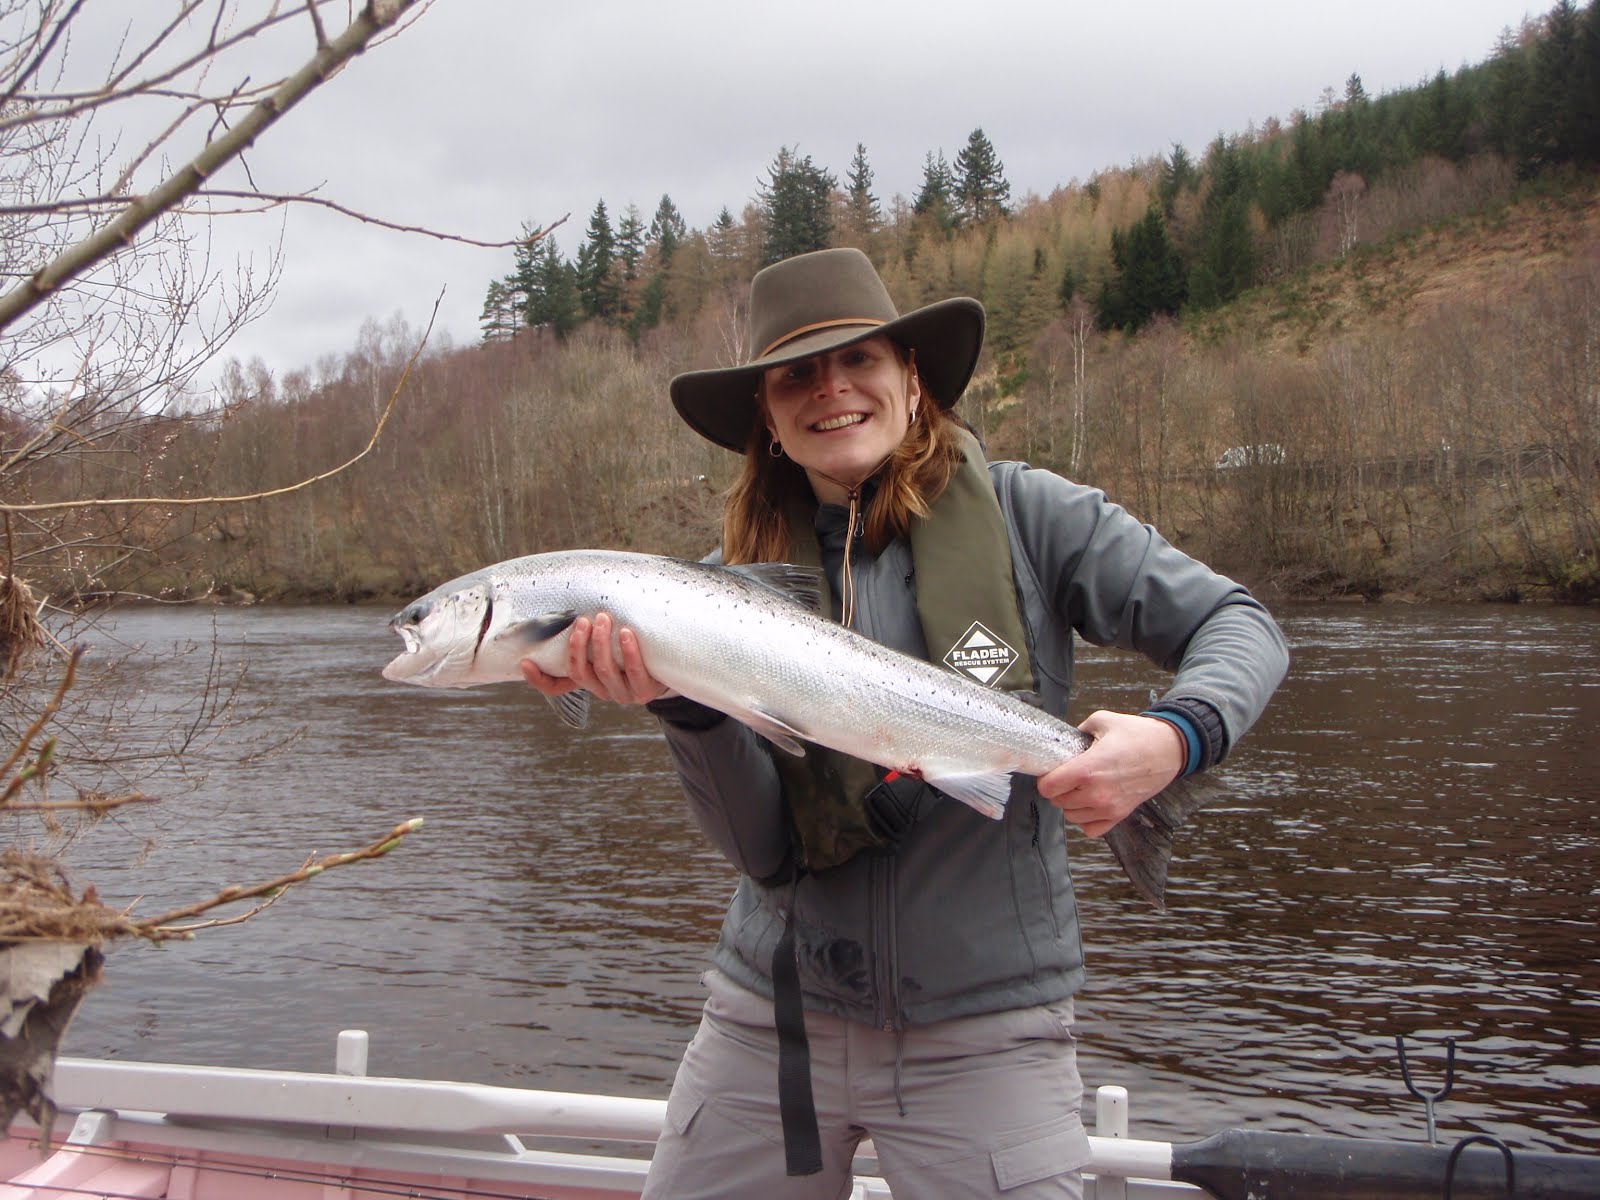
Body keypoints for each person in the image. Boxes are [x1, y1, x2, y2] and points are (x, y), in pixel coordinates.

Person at [521, 247, 1289, 1198]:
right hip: (771, 1023)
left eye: (860, 359)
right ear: (767, 415)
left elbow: (1239, 626)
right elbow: (759, 850)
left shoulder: (1035, 515)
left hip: (988, 1035)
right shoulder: (713, 598)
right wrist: (685, 708)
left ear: (912, 377)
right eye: (796, 374)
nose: (831, 389)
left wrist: (1178, 737)